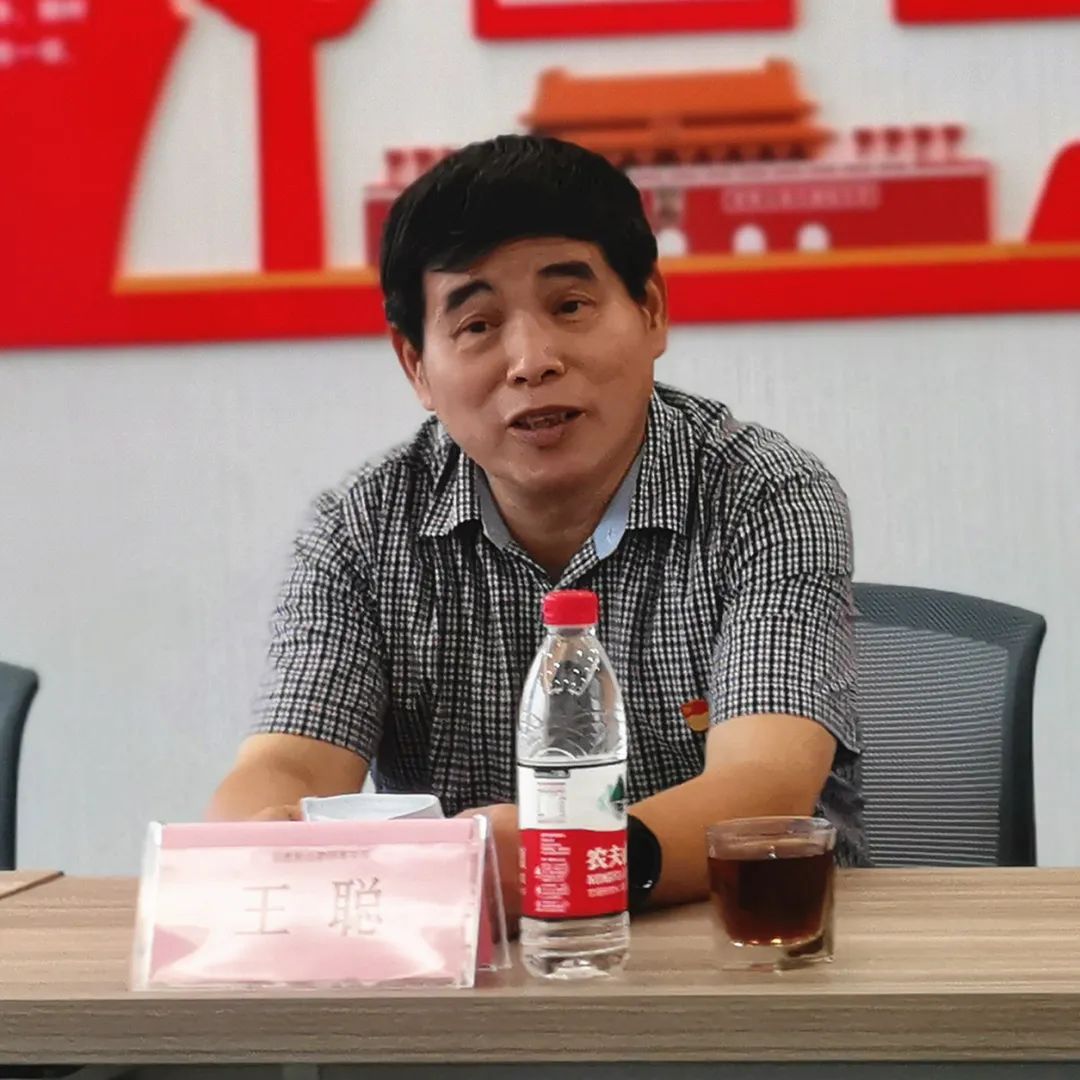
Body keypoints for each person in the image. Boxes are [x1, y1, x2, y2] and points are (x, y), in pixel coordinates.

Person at [207, 134, 865, 919]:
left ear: (651, 311)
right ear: (416, 366)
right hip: (471, 967)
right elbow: (287, 761)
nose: (532, 360)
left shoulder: (765, 495)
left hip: (749, 943)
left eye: (570, 306)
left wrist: (574, 867)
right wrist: (265, 838)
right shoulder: (359, 530)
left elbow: (763, 787)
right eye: (478, 324)